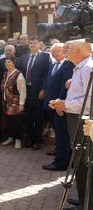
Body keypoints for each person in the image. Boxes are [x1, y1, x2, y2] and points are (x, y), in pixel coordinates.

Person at [50, 40, 93, 209]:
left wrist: (65, 104)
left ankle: (87, 203)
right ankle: (84, 199)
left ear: (77, 50)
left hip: (83, 120)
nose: (65, 50)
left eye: (68, 48)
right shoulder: (80, 68)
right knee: (80, 161)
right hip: (77, 118)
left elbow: (90, 102)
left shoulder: (88, 68)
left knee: (84, 161)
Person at [41, 42, 74, 171]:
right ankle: (67, 160)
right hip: (56, 106)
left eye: (67, 48)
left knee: (63, 136)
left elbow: (66, 89)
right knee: (62, 135)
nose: (64, 50)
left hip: (62, 107)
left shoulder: (70, 65)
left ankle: (60, 163)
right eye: (63, 48)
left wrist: (61, 104)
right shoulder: (65, 64)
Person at [19, 36, 51, 150]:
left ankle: (38, 141)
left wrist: (43, 89)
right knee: (27, 116)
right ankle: (30, 139)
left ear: (40, 44)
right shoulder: (24, 57)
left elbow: (48, 74)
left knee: (38, 116)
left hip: (37, 90)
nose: (32, 45)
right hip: (25, 90)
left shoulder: (46, 56)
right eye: (30, 43)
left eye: (34, 43)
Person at [1, 57, 26, 150]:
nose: (7, 64)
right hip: (6, 102)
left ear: (14, 63)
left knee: (17, 122)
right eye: (6, 62)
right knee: (9, 121)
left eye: (9, 62)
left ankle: (18, 140)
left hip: (15, 103)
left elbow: (22, 90)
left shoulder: (18, 74)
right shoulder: (5, 73)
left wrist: (21, 104)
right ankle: (11, 138)